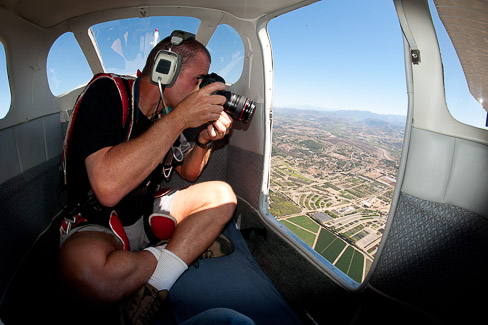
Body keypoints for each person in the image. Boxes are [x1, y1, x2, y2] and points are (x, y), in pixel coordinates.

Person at [58, 30, 238, 323]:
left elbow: (189, 173)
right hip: (97, 219)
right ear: (164, 68)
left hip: (143, 210)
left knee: (222, 197)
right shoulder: (108, 92)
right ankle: (176, 252)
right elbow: (107, 188)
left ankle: (157, 284)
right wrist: (179, 118)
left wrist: (205, 140)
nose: (202, 89)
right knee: (91, 277)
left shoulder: (169, 112)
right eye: (198, 80)